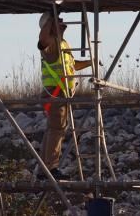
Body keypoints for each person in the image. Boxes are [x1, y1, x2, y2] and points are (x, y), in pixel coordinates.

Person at [38, 11, 91, 181]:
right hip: (55, 94)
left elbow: (73, 65)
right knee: (56, 130)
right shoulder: (51, 42)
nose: (62, 21)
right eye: (57, 20)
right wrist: (50, 21)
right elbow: (41, 42)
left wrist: (91, 61)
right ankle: (50, 169)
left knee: (53, 130)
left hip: (61, 94)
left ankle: (43, 169)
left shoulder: (63, 43)